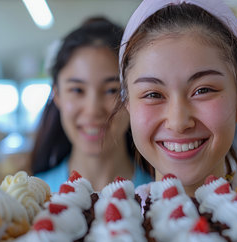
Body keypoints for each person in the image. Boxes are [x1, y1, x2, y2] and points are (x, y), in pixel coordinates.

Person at [114, 0, 237, 197]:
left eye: (203, 90)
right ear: (128, 105)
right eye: (153, 95)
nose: (178, 122)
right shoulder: (104, 224)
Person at [31, 17, 153, 193]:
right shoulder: (34, 198)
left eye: (112, 90)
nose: (93, 110)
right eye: (77, 90)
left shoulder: (161, 199)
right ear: (57, 94)